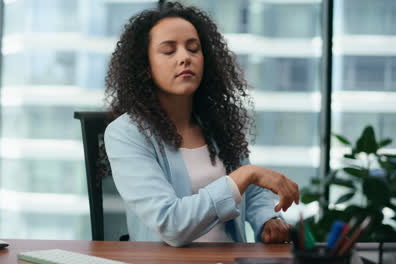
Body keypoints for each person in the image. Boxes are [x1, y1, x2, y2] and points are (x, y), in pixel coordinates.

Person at [103, 2, 299, 247]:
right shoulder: (126, 133)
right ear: (145, 67)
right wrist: (247, 174)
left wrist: (268, 220)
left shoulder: (216, 124)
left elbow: (252, 192)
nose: (185, 57)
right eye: (169, 51)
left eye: (193, 49)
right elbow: (170, 223)